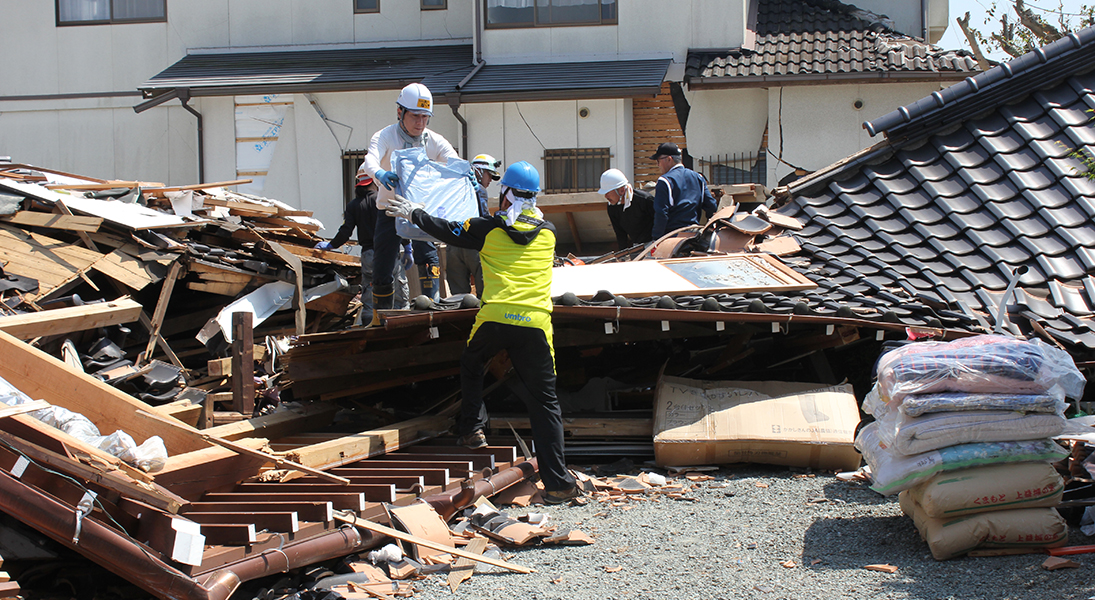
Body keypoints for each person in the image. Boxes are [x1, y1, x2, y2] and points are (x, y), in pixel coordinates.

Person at [384, 161, 579, 504]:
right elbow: (524, 225)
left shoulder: (487, 228)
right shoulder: (548, 231)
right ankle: (559, 484)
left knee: (473, 364)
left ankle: (472, 429)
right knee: (545, 404)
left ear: (505, 194)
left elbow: (445, 230)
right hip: (534, 324)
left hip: (495, 318)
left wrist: (415, 212)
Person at [360, 82, 459, 321]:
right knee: (383, 267)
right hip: (390, 210)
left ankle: (432, 309)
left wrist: (468, 174)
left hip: (419, 211)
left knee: (429, 258)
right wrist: (380, 174)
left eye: (425, 117)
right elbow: (370, 160)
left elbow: (454, 160)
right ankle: (380, 318)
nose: (420, 123)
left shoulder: (433, 140)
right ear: (400, 112)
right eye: (415, 116)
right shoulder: (385, 136)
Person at [314, 173, 411, 324]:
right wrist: (407, 246)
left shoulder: (353, 205)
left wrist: (331, 245)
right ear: (374, 183)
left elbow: (346, 231)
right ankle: (401, 322)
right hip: (389, 252)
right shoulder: (383, 201)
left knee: (370, 289)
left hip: (369, 255)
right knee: (398, 289)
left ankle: (370, 324)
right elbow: (397, 225)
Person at [446, 153, 499, 296]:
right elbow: (485, 218)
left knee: (458, 296)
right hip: (473, 245)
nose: (490, 181)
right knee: (484, 293)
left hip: (453, 243)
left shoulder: (453, 187)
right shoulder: (480, 190)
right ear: (479, 171)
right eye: (489, 175)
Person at [649, 142, 717, 239]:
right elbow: (711, 206)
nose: (658, 165)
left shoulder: (665, 181)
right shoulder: (698, 178)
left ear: (669, 159)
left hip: (673, 237)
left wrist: (656, 239)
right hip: (694, 235)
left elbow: (661, 214)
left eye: (658, 160)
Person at [597, 168, 655, 249]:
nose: (606, 196)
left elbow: (661, 222)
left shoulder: (644, 199)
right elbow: (620, 233)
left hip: (656, 243)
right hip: (637, 246)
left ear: (621, 190)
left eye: (608, 192)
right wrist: (622, 255)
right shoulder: (612, 207)